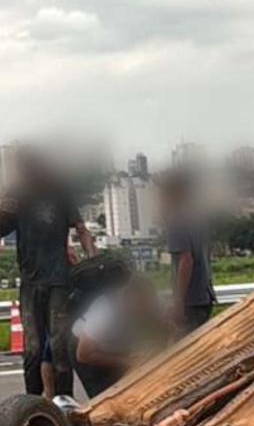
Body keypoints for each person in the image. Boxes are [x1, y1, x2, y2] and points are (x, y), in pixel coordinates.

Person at [0, 147, 96, 396]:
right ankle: (32, 402)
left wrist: (92, 260)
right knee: (33, 349)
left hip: (59, 280)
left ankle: (64, 401)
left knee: (59, 346)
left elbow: (81, 228)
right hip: (30, 282)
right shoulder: (18, 196)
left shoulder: (60, 193)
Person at [72, 273, 168, 398]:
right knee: (108, 399)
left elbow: (163, 325)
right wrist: (128, 362)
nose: (143, 312)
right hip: (87, 351)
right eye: (140, 306)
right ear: (129, 298)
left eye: (147, 306)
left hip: (113, 345)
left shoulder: (149, 303)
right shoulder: (105, 312)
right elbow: (83, 355)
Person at [156, 170, 217, 335]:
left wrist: (178, 304)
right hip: (204, 296)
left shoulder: (176, 220)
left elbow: (186, 261)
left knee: (186, 354)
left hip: (191, 301)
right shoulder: (197, 217)